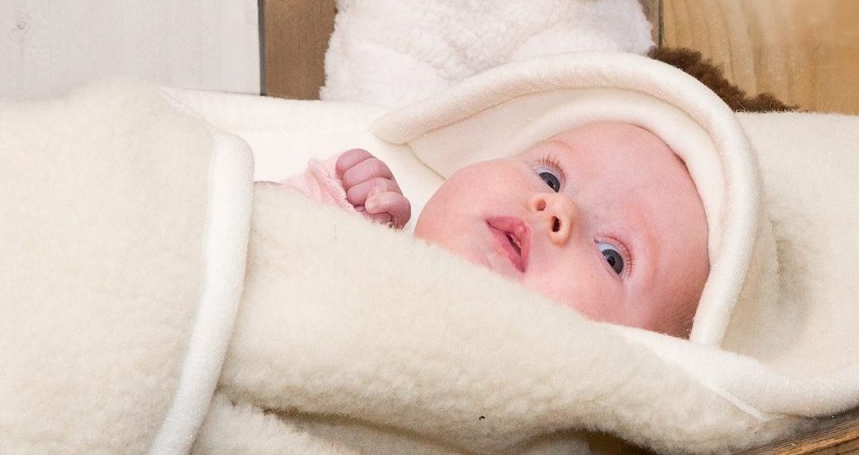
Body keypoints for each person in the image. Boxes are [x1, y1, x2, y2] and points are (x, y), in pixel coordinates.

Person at [278, 121, 710, 337]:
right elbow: (230, 231)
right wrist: (330, 213)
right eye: (550, 177)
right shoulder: (362, 255)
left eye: (611, 255)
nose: (559, 207)